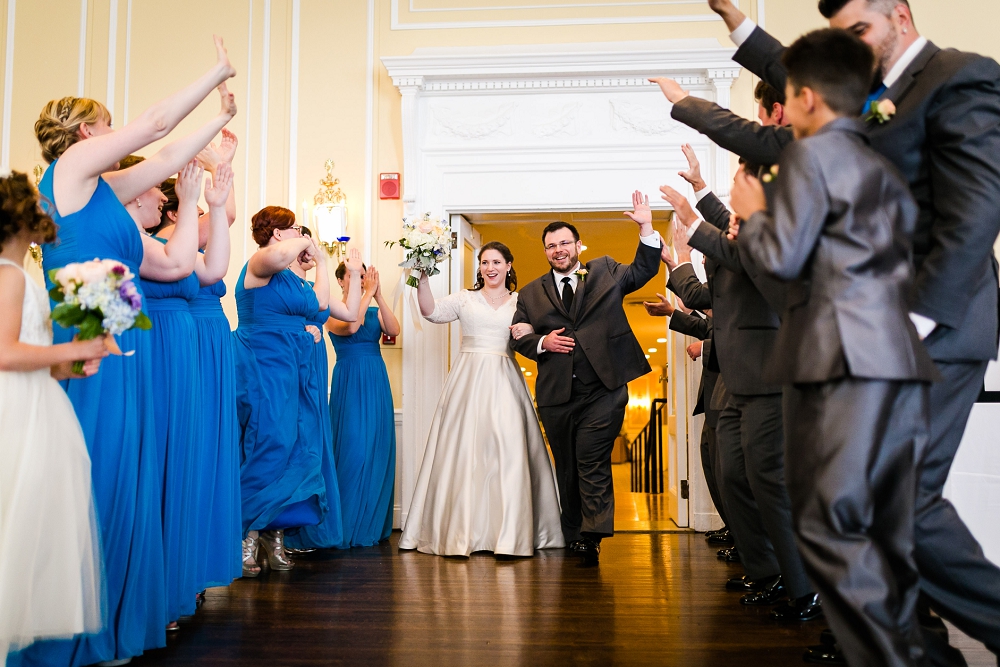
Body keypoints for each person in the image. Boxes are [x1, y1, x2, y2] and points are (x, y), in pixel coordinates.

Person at [701, 0, 1000, 661]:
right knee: (869, 511)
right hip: (870, 334)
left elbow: (974, 215)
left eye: (860, 31)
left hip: (933, 326)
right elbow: (812, 91)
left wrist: (909, 323)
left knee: (900, 505)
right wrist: (736, 22)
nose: (854, 50)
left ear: (900, 14)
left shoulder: (960, 77)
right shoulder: (864, 103)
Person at [13, 36, 236, 667]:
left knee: (127, 480)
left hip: (119, 330)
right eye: (110, 126)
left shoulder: (105, 191)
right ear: (88, 132)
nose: (119, 135)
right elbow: (159, 124)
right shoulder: (70, 174)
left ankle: (109, 626)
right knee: (96, 480)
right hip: (84, 332)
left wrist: (221, 119)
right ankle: (67, 634)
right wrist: (214, 69)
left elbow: (168, 153)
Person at [731, 28, 939, 666]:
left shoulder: (811, 158)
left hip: (838, 363)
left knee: (826, 526)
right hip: (897, 360)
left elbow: (783, 260)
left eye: (788, 100)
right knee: (882, 532)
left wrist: (756, 212)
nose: (783, 114)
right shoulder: (884, 161)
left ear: (807, 98)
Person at [509, 193, 661, 566]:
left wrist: (645, 228)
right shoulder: (530, 293)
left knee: (590, 460)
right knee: (567, 465)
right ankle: (571, 530)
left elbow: (643, 271)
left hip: (604, 389)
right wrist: (541, 341)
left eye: (564, 243)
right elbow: (518, 335)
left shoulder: (606, 270)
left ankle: (591, 536)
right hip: (557, 395)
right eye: (551, 246)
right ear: (545, 252)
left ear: (578, 245)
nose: (559, 250)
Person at [0, 172, 107, 662]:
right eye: (41, 206)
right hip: (15, 408)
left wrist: (70, 362)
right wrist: (73, 346)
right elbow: (3, 352)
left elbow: (34, 351)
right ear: (22, 217)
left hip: (38, 400)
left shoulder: (27, 273)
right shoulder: (9, 274)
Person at [400, 241, 564, 557]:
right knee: (464, 451)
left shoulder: (521, 301)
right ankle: (462, 532)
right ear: (479, 267)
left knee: (507, 449)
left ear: (508, 266)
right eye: (484, 262)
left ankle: (510, 534)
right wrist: (422, 278)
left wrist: (530, 332)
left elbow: (536, 333)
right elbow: (430, 311)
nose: (490, 268)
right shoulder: (465, 298)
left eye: (496, 262)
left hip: (505, 377)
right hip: (467, 379)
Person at [124, 156, 232, 626]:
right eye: (154, 191)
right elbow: (181, 264)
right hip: (156, 348)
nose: (160, 196)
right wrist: (191, 203)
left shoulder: (164, 240)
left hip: (182, 351)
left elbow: (213, 271)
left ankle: (177, 581)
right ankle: (158, 590)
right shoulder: (143, 243)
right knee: (163, 463)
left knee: (183, 460)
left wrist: (216, 201)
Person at [234, 206, 362, 575]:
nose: (301, 236)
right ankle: (246, 532)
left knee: (297, 447)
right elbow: (279, 259)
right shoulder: (260, 263)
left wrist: (343, 271)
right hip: (264, 366)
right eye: (295, 229)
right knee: (267, 443)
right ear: (277, 233)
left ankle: (274, 535)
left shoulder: (299, 283)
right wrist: (313, 243)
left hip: (298, 371)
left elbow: (338, 309)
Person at [152, 135, 241, 590]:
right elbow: (221, 218)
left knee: (199, 446)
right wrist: (213, 175)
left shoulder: (183, 243)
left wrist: (218, 178)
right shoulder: (157, 243)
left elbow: (215, 262)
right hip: (167, 345)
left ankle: (189, 568)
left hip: (196, 339)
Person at [282, 228, 364, 553]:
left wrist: (354, 275)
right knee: (290, 440)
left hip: (315, 366)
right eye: (301, 241)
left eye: (310, 242)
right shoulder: (280, 282)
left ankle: (306, 529)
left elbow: (351, 314)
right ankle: (278, 533)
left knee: (314, 440)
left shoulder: (315, 286)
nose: (308, 248)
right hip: (289, 363)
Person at [326, 262, 400, 548]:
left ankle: (371, 521)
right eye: (354, 278)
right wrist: (366, 293)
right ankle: (344, 523)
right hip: (350, 379)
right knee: (353, 448)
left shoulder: (373, 307)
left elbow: (394, 329)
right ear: (341, 282)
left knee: (377, 447)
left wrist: (379, 295)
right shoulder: (332, 310)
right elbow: (351, 325)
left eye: (363, 277)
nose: (359, 282)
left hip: (376, 379)